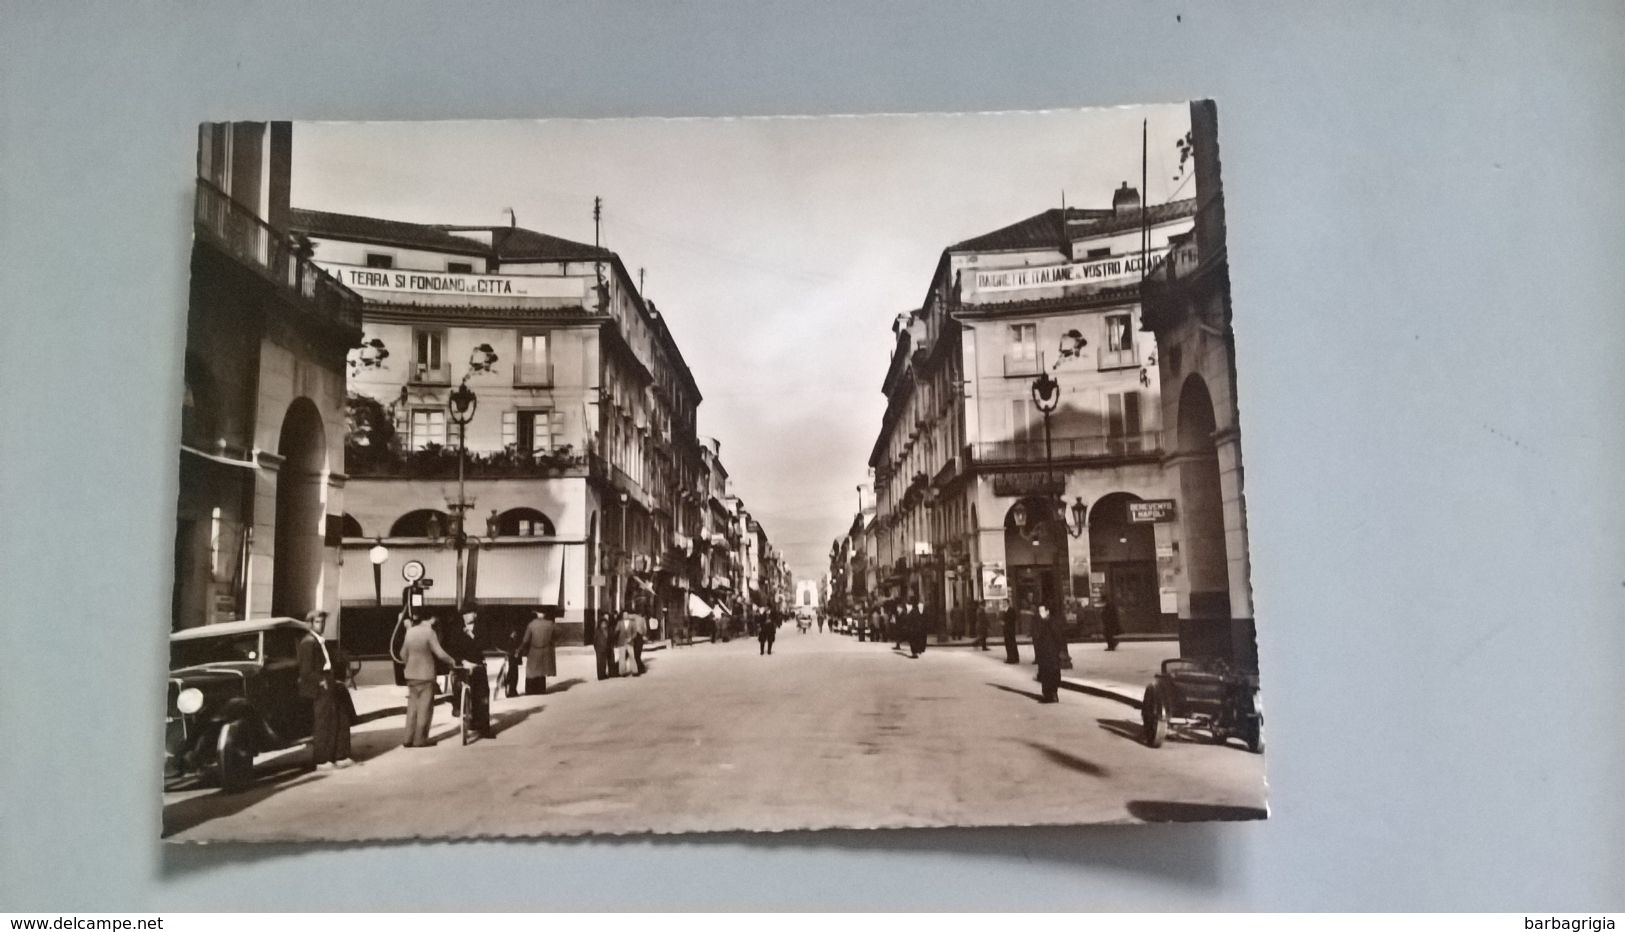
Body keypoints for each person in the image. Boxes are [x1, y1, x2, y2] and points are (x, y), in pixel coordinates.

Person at [297, 610, 353, 770]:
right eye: (317, 622)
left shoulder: (320, 641)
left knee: (338, 718)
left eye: (322, 622)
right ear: (310, 624)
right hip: (321, 686)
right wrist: (321, 681)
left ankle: (339, 755)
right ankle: (322, 759)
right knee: (324, 723)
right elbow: (306, 670)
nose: (321, 625)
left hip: (329, 681)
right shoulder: (308, 643)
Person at [400, 610, 457, 747]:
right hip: (425, 675)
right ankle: (420, 739)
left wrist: (411, 664)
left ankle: (408, 739)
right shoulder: (429, 632)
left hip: (410, 675)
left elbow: (402, 654)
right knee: (425, 708)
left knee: (412, 708)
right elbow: (439, 653)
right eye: (434, 621)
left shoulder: (410, 632)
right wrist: (452, 660)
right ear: (430, 619)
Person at [442, 610, 494, 739]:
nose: (466, 616)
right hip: (462, 665)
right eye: (464, 614)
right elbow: (451, 648)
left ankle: (483, 728)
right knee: (458, 686)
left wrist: (471, 634)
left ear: (475, 615)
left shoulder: (481, 628)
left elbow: (485, 644)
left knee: (482, 696)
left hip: (477, 664)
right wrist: (461, 661)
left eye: (469, 613)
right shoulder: (456, 629)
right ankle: (457, 707)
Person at [516, 609, 558, 696]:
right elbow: (559, 632)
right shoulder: (550, 624)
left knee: (532, 671)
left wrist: (519, 649)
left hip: (534, 651)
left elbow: (525, 640)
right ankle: (541, 689)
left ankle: (531, 690)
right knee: (542, 671)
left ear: (537, 614)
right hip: (546, 650)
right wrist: (552, 641)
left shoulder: (532, 625)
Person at [1032, 603, 1063, 703]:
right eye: (1039, 611)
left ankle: (1052, 694)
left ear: (1047, 611)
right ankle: (1047, 694)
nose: (1040, 613)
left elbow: (1058, 637)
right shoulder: (1040, 622)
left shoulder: (1052, 622)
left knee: (1052, 673)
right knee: (1045, 674)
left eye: (1042, 611)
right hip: (1044, 653)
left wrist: (1058, 650)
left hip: (1051, 652)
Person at [593, 610, 615, 680]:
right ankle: (600, 676)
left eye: (605, 623)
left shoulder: (609, 630)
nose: (604, 625)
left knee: (604, 663)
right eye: (603, 624)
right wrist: (596, 649)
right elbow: (595, 641)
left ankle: (604, 674)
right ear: (600, 624)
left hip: (606, 648)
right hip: (599, 649)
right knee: (599, 663)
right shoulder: (598, 631)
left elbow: (611, 638)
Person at [615, 611, 638, 676]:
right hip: (621, 642)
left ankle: (634, 671)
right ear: (622, 616)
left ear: (628, 615)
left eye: (627, 614)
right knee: (622, 657)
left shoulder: (632, 623)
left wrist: (631, 638)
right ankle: (622, 672)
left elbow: (635, 632)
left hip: (630, 642)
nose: (625, 616)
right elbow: (616, 631)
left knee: (632, 656)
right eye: (624, 615)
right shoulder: (619, 623)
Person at [1002, 599, 1021, 664]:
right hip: (1007, 630)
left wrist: (1005, 623)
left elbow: (1012, 619)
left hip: (1010, 630)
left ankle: (1012, 659)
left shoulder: (1011, 610)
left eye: (1004, 602)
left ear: (1008, 603)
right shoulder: (1005, 610)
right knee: (1009, 644)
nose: (1003, 604)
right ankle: (1012, 658)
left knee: (1011, 644)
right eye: (1003, 602)